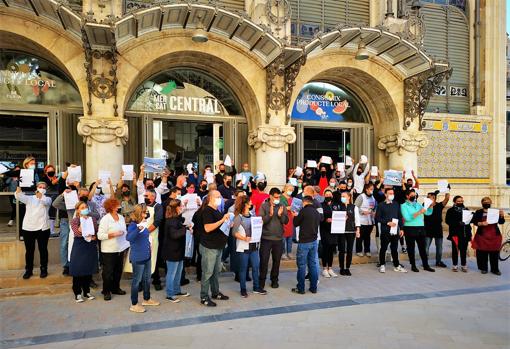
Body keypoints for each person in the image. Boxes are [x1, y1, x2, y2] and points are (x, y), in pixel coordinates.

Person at [126, 204, 160, 313]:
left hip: (147, 256)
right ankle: (134, 304)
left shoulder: (144, 223)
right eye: (144, 212)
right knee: (136, 281)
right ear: (139, 213)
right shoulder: (133, 225)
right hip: (138, 257)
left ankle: (146, 299)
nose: (146, 214)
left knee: (147, 279)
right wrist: (138, 229)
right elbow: (129, 238)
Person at [200, 190, 231, 306]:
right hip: (209, 246)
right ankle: (204, 297)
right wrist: (222, 220)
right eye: (218, 197)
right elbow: (208, 228)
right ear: (211, 198)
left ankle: (215, 292)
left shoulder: (216, 210)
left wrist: (227, 223)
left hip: (218, 246)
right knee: (208, 272)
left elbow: (219, 225)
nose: (220, 199)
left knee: (216, 271)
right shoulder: (207, 211)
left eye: (220, 196)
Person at [15, 183, 52, 279]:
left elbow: (43, 200)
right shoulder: (29, 198)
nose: (42, 189)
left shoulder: (48, 199)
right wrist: (19, 187)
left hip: (43, 228)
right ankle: (28, 270)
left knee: (43, 250)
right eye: (40, 187)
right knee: (29, 251)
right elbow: (19, 196)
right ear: (37, 187)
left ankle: (44, 269)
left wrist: (36, 191)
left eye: (44, 187)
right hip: (29, 228)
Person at [232, 195, 266, 297]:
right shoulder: (238, 217)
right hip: (243, 246)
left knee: (256, 266)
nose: (251, 203)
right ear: (245, 204)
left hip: (254, 245)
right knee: (243, 268)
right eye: (249, 201)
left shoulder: (252, 214)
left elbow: (256, 226)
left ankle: (256, 287)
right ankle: (243, 289)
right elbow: (234, 233)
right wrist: (244, 238)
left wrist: (260, 223)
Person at [97, 198, 129, 301]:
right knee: (108, 272)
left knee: (118, 270)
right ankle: (106, 291)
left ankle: (115, 288)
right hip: (109, 250)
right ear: (111, 207)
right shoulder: (105, 219)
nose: (119, 206)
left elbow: (124, 231)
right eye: (117, 205)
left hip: (120, 248)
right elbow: (100, 235)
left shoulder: (121, 217)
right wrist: (113, 234)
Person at [259, 188, 289, 289]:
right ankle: (261, 280)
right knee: (264, 260)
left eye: (279, 197)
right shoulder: (264, 206)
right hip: (266, 238)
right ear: (270, 196)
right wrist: (270, 215)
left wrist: (280, 215)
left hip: (278, 239)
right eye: (276, 197)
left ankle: (274, 280)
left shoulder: (282, 206)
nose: (278, 199)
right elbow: (261, 221)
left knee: (277, 261)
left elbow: (286, 221)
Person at [162, 199, 190, 303]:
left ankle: (177, 290)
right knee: (171, 273)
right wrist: (185, 229)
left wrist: (185, 226)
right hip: (171, 251)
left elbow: (180, 221)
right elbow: (174, 235)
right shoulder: (170, 221)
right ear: (176, 208)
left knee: (178, 272)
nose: (182, 207)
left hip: (178, 250)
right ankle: (169, 294)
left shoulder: (176, 218)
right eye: (181, 206)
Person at [69, 201, 98, 303]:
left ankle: (87, 291)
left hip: (90, 246)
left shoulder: (93, 219)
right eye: (82, 207)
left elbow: (96, 231)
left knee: (88, 269)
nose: (85, 208)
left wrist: (94, 236)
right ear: (78, 210)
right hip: (80, 246)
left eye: (86, 207)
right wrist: (84, 226)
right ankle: (77, 293)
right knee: (78, 270)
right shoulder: (75, 221)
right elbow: (77, 233)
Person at [401, 189, 435, 273]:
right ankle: (413, 265)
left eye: (415, 195)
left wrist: (430, 206)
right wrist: (420, 212)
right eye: (412, 195)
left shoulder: (418, 204)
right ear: (407, 196)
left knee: (422, 248)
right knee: (411, 248)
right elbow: (407, 218)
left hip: (421, 228)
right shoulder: (403, 206)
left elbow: (428, 213)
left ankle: (426, 265)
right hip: (410, 228)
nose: (414, 196)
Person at [292, 196, 321, 294]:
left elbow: (296, 223)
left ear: (304, 202)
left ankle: (301, 288)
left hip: (304, 242)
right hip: (314, 241)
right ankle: (313, 288)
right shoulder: (316, 212)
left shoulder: (304, 211)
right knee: (312, 264)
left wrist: (295, 216)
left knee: (302, 265)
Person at [375, 188, 407, 273]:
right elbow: (377, 218)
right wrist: (387, 222)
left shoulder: (396, 204)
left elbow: (399, 217)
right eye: (390, 193)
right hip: (385, 231)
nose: (392, 195)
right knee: (383, 248)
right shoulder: (381, 205)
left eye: (393, 193)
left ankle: (396, 265)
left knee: (394, 249)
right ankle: (382, 265)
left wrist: (402, 229)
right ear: (385, 194)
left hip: (395, 231)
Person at [471, 197, 505, 275]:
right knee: (482, 253)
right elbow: (474, 221)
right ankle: (484, 268)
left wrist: (502, 216)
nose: (487, 203)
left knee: (494, 253)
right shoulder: (479, 212)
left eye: (488, 202)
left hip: (494, 235)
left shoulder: (495, 211)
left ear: (491, 203)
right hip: (482, 235)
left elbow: (501, 222)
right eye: (485, 202)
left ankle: (495, 269)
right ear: (482, 203)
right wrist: (481, 223)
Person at [334, 191, 360, 276]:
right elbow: (335, 218)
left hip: (351, 231)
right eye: (342, 196)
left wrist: (358, 230)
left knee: (349, 250)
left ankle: (347, 268)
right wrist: (341, 219)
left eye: (344, 196)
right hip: (341, 231)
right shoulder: (338, 206)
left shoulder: (354, 207)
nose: (342, 197)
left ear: (349, 197)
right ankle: (341, 268)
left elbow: (357, 219)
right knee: (341, 250)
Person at [445, 196, 472, 272]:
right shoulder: (450, 210)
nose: (460, 202)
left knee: (464, 250)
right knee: (455, 250)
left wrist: (472, 216)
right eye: (458, 201)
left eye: (461, 201)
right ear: (454, 202)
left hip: (464, 233)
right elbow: (447, 221)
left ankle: (463, 265)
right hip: (455, 233)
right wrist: (457, 223)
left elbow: (470, 221)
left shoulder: (466, 210)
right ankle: (455, 265)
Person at [424, 191, 450, 268]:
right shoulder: (424, 205)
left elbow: (447, 198)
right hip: (428, 229)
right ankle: (425, 262)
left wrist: (447, 190)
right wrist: (429, 203)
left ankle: (438, 262)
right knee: (426, 247)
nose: (427, 197)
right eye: (427, 196)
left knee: (439, 247)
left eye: (429, 196)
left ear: (434, 197)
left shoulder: (439, 205)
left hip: (438, 229)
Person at [354, 183, 377, 257]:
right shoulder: (361, 197)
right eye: (370, 189)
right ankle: (359, 250)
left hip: (370, 221)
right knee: (360, 237)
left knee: (367, 236)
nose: (372, 191)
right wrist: (363, 212)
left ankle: (367, 250)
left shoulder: (373, 197)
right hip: (361, 220)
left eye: (373, 189)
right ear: (366, 189)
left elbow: (374, 207)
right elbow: (355, 207)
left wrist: (374, 212)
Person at [319, 189, 338, 278]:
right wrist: (325, 220)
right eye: (326, 194)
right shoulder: (321, 205)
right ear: (323, 195)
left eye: (329, 194)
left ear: (332, 195)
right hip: (324, 230)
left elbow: (339, 214)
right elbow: (319, 218)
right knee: (325, 249)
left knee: (331, 250)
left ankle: (330, 268)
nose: (328, 196)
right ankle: (324, 269)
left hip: (334, 230)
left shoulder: (336, 205)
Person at [41, 164, 59, 236]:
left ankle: (51, 230)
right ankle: (43, 230)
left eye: (52, 171)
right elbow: (50, 184)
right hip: (45, 198)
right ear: (46, 172)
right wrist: (59, 178)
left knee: (52, 214)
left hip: (55, 198)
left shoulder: (56, 178)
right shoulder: (44, 179)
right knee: (44, 213)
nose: (51, 172)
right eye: (49, 171)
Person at [281, 183, 295, 260]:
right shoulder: (281, 198)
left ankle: (289, 252)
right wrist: (287, 208)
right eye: (289, 190)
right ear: (285, 189)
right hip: (283, 218)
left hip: (290, 218)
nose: (290, 191)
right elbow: (280, 207)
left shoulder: (291, 198)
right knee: (283, 237)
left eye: (292, 190)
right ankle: (283, 253)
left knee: (290, 237)